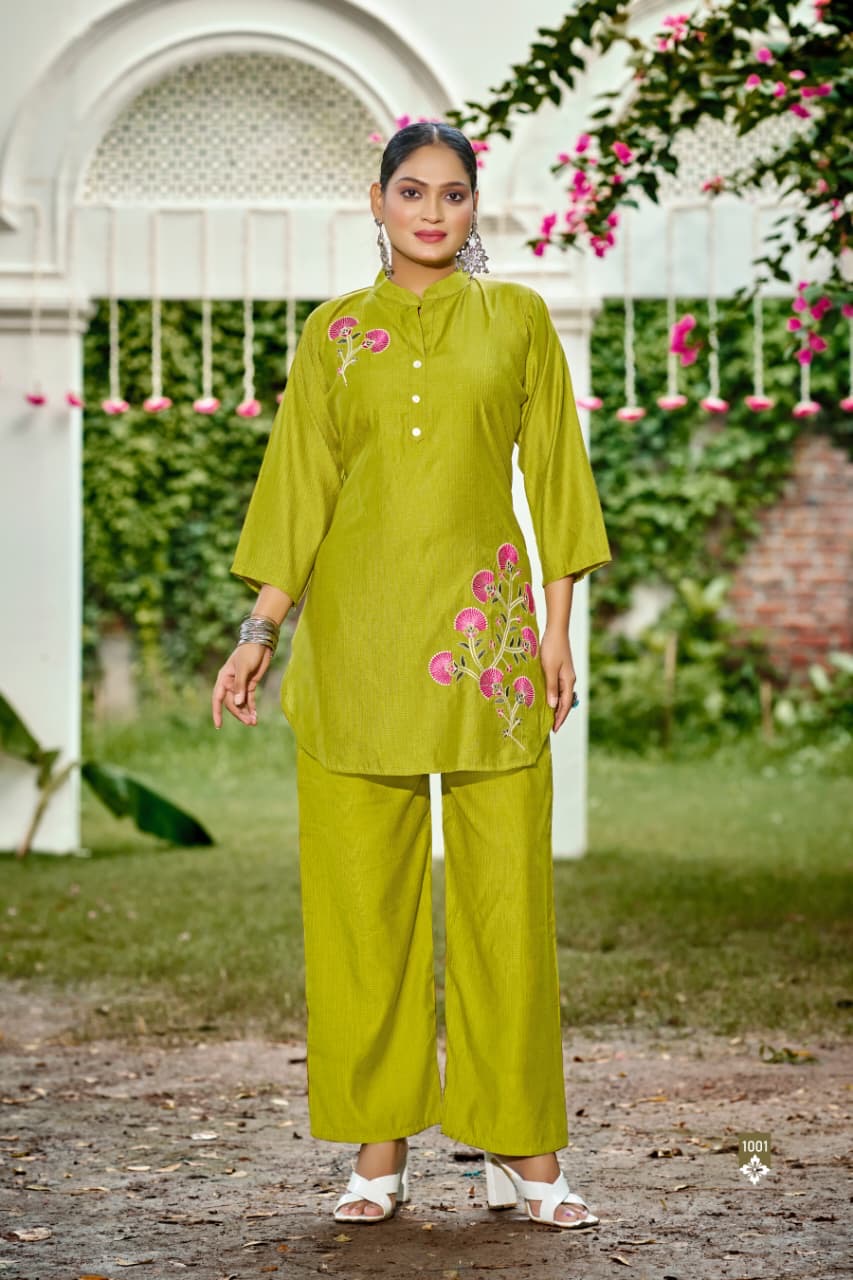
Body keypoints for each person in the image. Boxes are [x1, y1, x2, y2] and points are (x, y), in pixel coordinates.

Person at [212, 122, 611, 1229]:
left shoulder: (516, 320)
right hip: (357, 649)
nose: (432, 211)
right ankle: (377, 1144)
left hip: (488, 652)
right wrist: (258, 631)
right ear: (377, 200)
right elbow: (300, 486)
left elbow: (558, 477)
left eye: (452, 193)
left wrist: (556, 631)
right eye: (412, 191)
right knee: (360, 907)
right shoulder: (333, 332)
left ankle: (520, 1147)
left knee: (505, 905)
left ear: (473, 205)